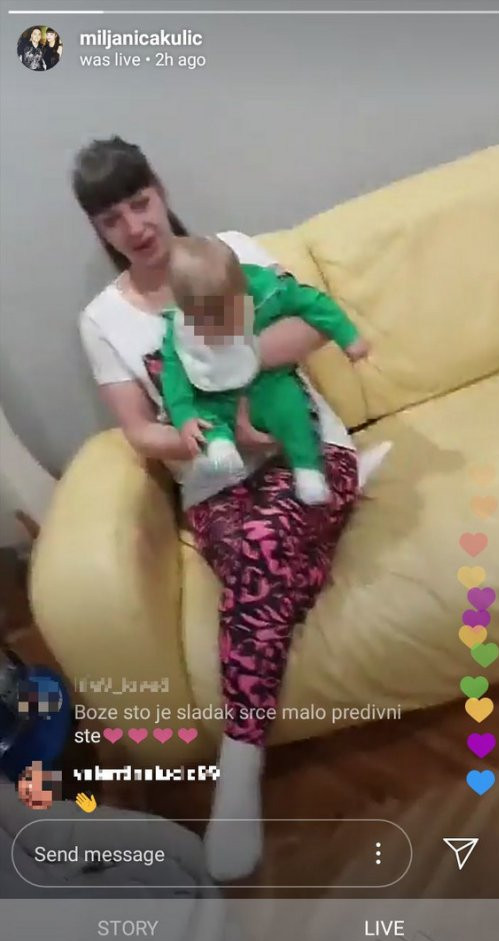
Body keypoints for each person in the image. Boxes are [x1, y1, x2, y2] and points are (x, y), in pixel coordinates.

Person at [73, 136, 388, 881]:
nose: (135, 226)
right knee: (259, 546)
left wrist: (233, 375)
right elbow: (139, 432)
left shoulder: (233, 252)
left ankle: (239, 770)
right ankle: (328, 525)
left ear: (160, 189)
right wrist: (200, 435)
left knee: (270, 537)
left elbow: (309, 323)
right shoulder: (103, 321)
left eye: (140, 202)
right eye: (113, 218)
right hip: (214, 482)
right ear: (99, 229)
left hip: (304, 448)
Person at [162, 234, 369, 503]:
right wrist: (184, 416)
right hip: (218, 396)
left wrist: (348, 336)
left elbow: (313, 303)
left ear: (242, 292)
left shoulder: (269, 292)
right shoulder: (180, 329)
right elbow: (173, 373)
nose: (220, 328)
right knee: (205, 416)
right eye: (207, 322)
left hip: (267, 383)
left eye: (227, 315)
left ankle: (307, 469)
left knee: (290, 407)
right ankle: (221, 449)